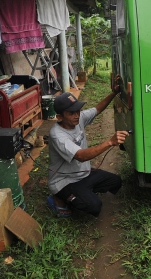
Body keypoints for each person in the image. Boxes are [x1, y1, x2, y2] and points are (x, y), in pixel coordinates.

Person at [46, 81, 128, 218]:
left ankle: (83, 193)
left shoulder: (78, 119)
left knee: (115, 181)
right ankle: (59, 199)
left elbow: (97, 109)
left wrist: (114, 92)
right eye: (71, 113)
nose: (77, 115)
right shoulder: (57, 135)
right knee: (94, 206)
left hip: (83, 174)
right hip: (65, 181)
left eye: (77, 110)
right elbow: (81, 156)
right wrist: (110, 142)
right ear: (60, 117)